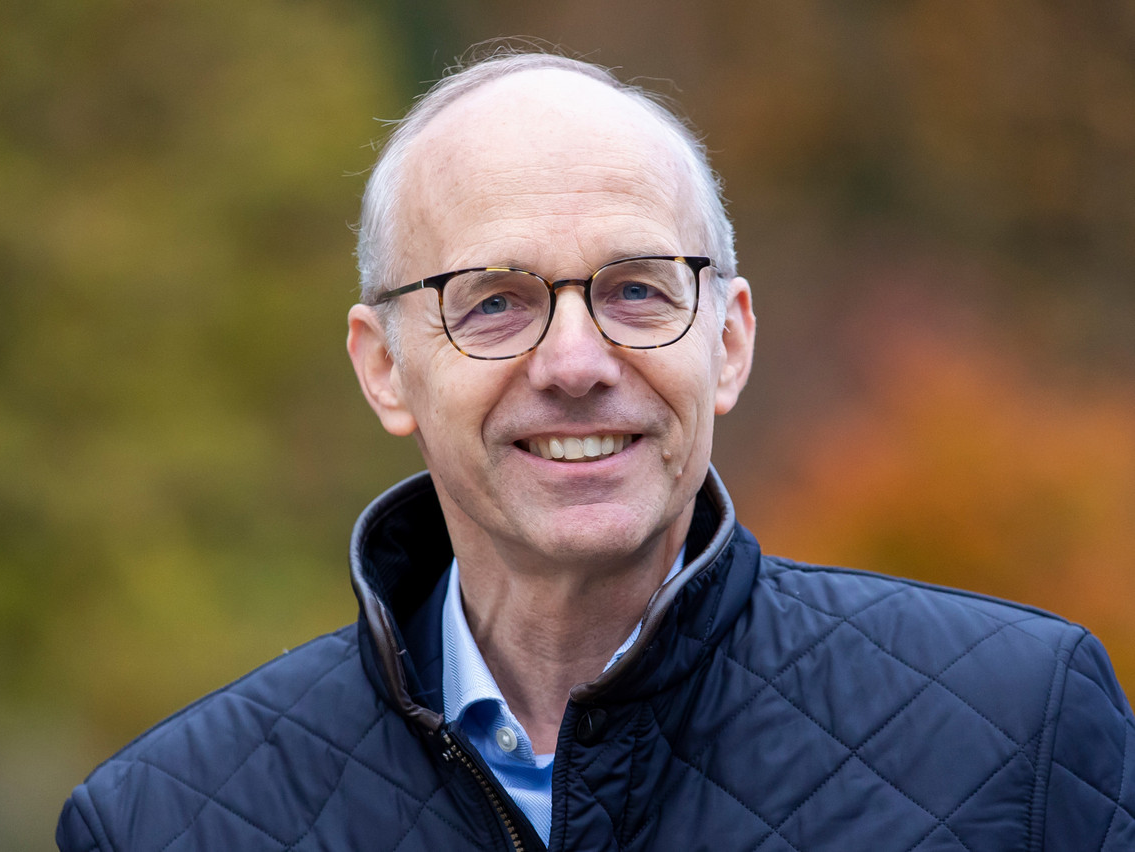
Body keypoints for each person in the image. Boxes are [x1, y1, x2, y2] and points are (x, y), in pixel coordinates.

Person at [57, 49, 1135, 852]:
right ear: (383, 365)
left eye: (634, 290)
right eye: (493, 301)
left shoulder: (1019, 734)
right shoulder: (164, 821)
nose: (576, 362)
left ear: (730, 340)